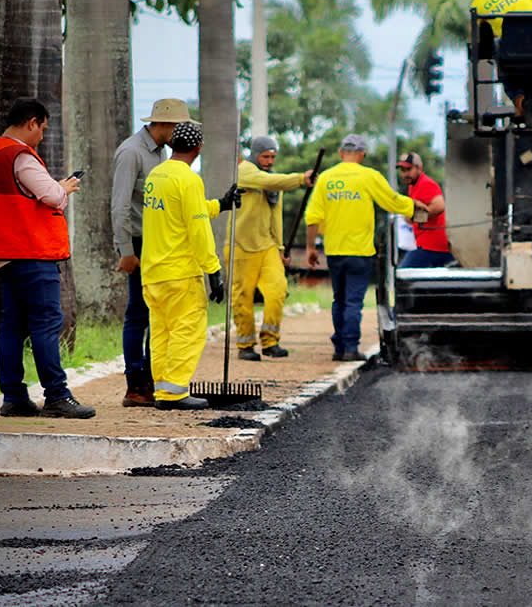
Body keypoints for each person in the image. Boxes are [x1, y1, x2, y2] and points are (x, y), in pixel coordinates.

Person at [0, 98, 96, 418]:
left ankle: (14, 397)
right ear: (31, 122)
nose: (42, 137)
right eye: (42, 129)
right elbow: (52, 196)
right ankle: (57, 395)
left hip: (5, 253)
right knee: (45, 324)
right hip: (32, 251)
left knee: (13, 325)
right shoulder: (21, 156)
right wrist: (63, 187)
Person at [141, 121, 241, 411]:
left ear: (172, 144)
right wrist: (214, 271)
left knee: (161, 332)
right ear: (198, 148)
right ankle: (174, 393)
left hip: (153, 272)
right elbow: (197, 230)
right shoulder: (188, 180)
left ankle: (162, 390)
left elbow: (185, 212)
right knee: (188, 329)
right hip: (180, 273)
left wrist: (220, 204)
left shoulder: (156, 176)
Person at [305, 135, 426, 362]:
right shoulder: (369, 176)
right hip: (359, 252)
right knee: (353, 302)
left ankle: (339, 347)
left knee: (338, 300)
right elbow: (391, 200)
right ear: (362, 154)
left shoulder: (326, 178)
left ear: (341, 153)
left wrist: (311, 247)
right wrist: (413, 206)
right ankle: (350, 348)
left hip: (334, 250)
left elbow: (313, 216)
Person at [110, 98, 189, 407]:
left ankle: (150, 378)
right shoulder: (131, 152)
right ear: (165, 125)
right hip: (139, 244)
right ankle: (134, 385)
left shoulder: (162, 154)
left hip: (158, 243)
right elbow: (119, 206)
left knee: (157, 313)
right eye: (178, 126)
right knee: (138, 314)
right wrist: (126, 251)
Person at [229, 135, 314, 361]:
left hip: (267, 246)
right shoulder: (245, 171)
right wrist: (300, 179)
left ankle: (270, 341)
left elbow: (276, 217)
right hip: (241, 245)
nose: (269, 161)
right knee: (243, 297)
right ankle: (245, 344)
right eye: (265, 156)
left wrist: (280, 247)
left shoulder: (274, 182)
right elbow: (268, 181)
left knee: (277, 290)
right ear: (254, 155)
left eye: (273, 157)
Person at [396, 152, 453, 268]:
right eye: (402, 170)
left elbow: (440, 206)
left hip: (431, 245)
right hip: (427, 244)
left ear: (419, 168)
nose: (405, 174)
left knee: (404, 276)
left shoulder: (426, 184)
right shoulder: (413, 185)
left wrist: (414, 217)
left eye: (408, 169)